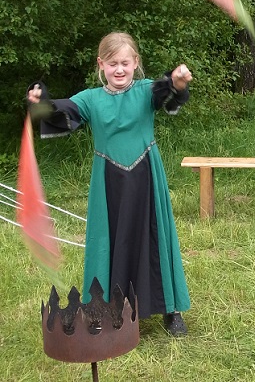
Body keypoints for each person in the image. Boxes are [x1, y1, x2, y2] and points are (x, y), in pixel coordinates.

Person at [27, 32, 192, 336]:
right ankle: (104, 308)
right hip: (108, 184)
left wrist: (178, 82)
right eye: (112, 63)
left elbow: (168, 93)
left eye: (125, 63)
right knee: (109, 241)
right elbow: (61, 112)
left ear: (135, 63)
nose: (119, 69)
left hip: (146, 178)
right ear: (101, 64)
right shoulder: (90, 98)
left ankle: (170, 309)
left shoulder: (146, 90)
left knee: (156, 237)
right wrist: (41, 100)